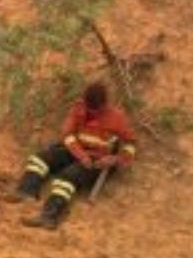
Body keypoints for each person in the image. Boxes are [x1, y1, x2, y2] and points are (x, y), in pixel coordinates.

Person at [14, 81, 137, 229]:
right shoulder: (78, 108)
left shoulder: (116, 118)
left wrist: (116, 159)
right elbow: (67, 135)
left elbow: (131, 143)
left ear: (104, 106)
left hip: (98, 160)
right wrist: (81, 155)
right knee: (40, 159)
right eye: (88, 108)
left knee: (67, 178)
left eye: (95, 110)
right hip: (76, 150)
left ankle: (48, 217)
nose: (90, 112)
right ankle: (26, 191)